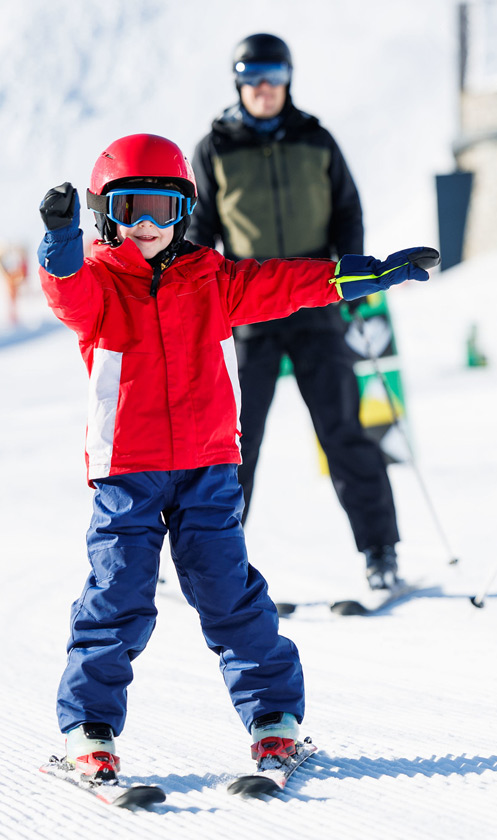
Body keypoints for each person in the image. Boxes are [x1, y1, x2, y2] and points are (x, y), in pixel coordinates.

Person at [37, 132, 438, 783]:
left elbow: (287, 284)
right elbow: (65, 294)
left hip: (207, 469)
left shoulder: (213, 278)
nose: (145, 225)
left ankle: (275, 720)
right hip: (127, 474)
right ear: (104, 213)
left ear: (183, 213)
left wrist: (358, 274)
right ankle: (89, 726)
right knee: (118, 595)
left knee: (229, 594)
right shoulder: (101, 284)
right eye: (131, 208)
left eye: (161, 211)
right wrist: (57, 242)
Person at [188, 33, 402, 591]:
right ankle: (215, 557)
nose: (264, 89)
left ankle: (380, 550)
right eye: (254, 78)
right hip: (248, 306)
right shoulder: (215, 147)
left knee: (343, 429)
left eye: (274, 78)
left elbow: (347, 211)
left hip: (314, 298)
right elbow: (198, 231)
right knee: (235, 440)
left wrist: (351, 275)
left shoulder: (318, 139)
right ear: (239, 83)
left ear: (288, 80)